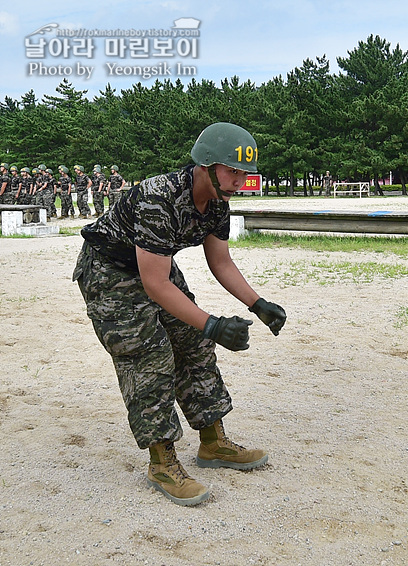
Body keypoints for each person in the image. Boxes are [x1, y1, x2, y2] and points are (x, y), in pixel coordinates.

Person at [72, 122, 287, 506]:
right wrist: (214, 323)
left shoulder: (218, 201)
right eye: (232, 171)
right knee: (149, 354)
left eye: (245, 173)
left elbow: (220, 261)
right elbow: (154, 285)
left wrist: (257, 303)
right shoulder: (160, 198)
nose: (239, 180)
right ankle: (161, 462)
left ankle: (213, 443)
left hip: (154, 265)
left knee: (195, 344)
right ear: (206, 165)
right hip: (109, 270)